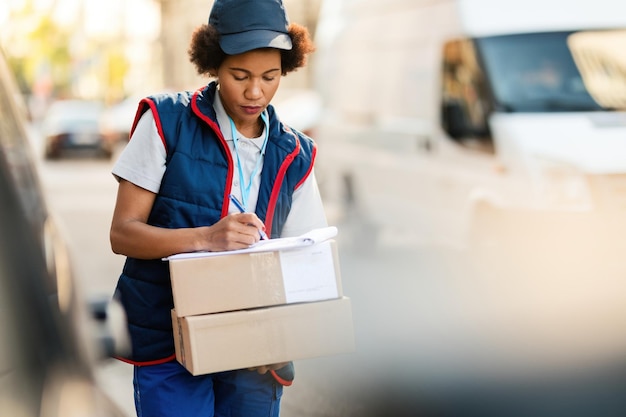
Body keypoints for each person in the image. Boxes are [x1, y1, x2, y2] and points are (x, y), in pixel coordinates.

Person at [108, 0, 326, 416]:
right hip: (169, 341)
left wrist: (283, 337)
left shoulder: (296, 154)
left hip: (255, 349)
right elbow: (122, 233)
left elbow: (308, 262)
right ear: (213, 64)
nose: (255, 91)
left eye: (270, 76)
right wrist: (207, 238)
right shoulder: (165, 121)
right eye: (239, 75)